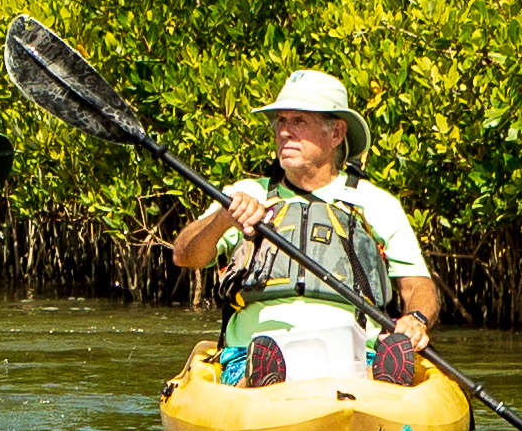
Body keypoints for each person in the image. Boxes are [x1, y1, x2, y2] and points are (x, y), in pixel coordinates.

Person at [165, 67, 437, 384]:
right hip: (255, 351)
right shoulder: (247, 193)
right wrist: (223, 218)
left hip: (353, 354)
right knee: (263, 360)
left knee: (374, 363)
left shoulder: (376, 204)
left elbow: (418, 286)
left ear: (336, 133)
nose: (284, 132)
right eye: (281, 121)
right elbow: (184, 255)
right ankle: (263, 380)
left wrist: (416, 318)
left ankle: (380, 380)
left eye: (299, 122)